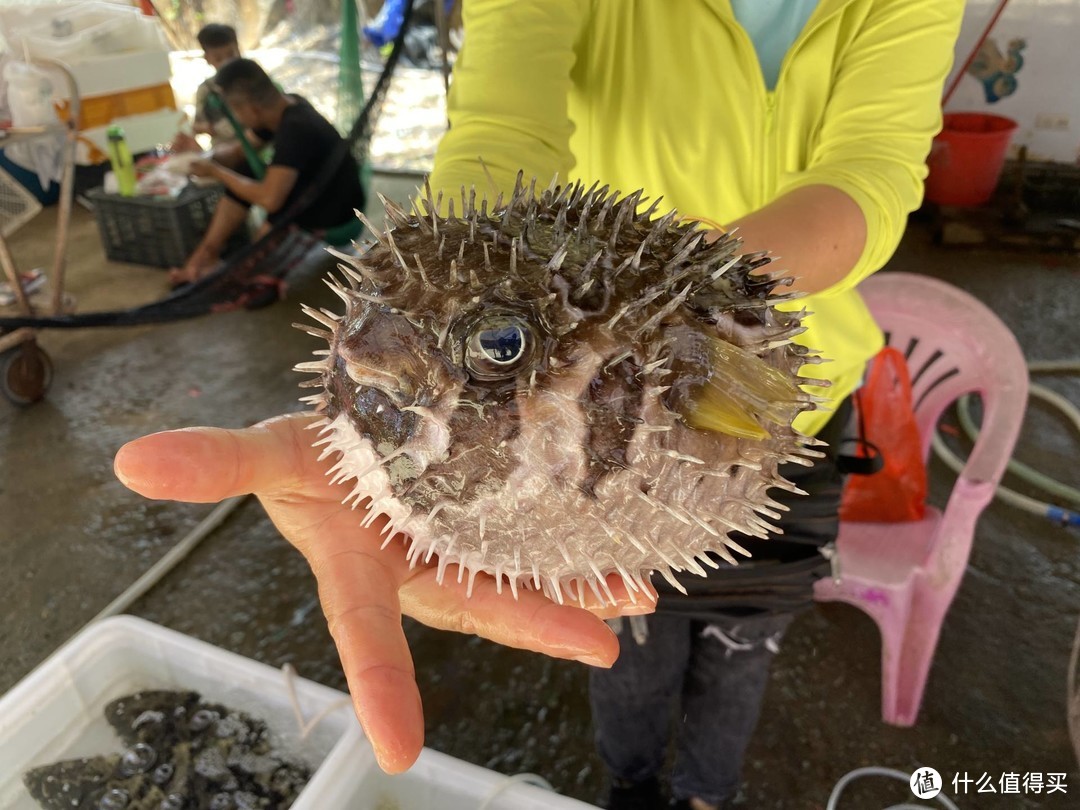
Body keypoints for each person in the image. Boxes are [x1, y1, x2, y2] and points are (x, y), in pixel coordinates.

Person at [114, 0, 965, 805]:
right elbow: (502, 123)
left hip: (788, 418)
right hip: (594, 411)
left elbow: (873, 171)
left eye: (498, 352)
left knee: (742, 647)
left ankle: (711, 793)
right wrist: (437, 284)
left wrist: (692, 302)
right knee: (625, 655)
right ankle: (629, 788)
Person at [167, 57, 366, 286]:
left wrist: (216, 172)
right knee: (245, 170)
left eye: (234, 110)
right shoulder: (285, 108)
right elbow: (237, 153)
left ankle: (239, 267)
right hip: (324, 194)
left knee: (275, 201)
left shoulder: (296, 130)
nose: (237, 118)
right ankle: (205, 256)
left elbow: (269, 200)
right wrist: (200, 155)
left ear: (251, 108)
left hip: (340, 217)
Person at [171, 23, 243, 153]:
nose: (226, 63)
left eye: (231, 55)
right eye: (218, 58)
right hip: (224, 152)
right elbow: (196, 126)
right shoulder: (207, 90)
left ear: (239, 49)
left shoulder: (253, 80)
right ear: (207, 59)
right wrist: (209, 128)